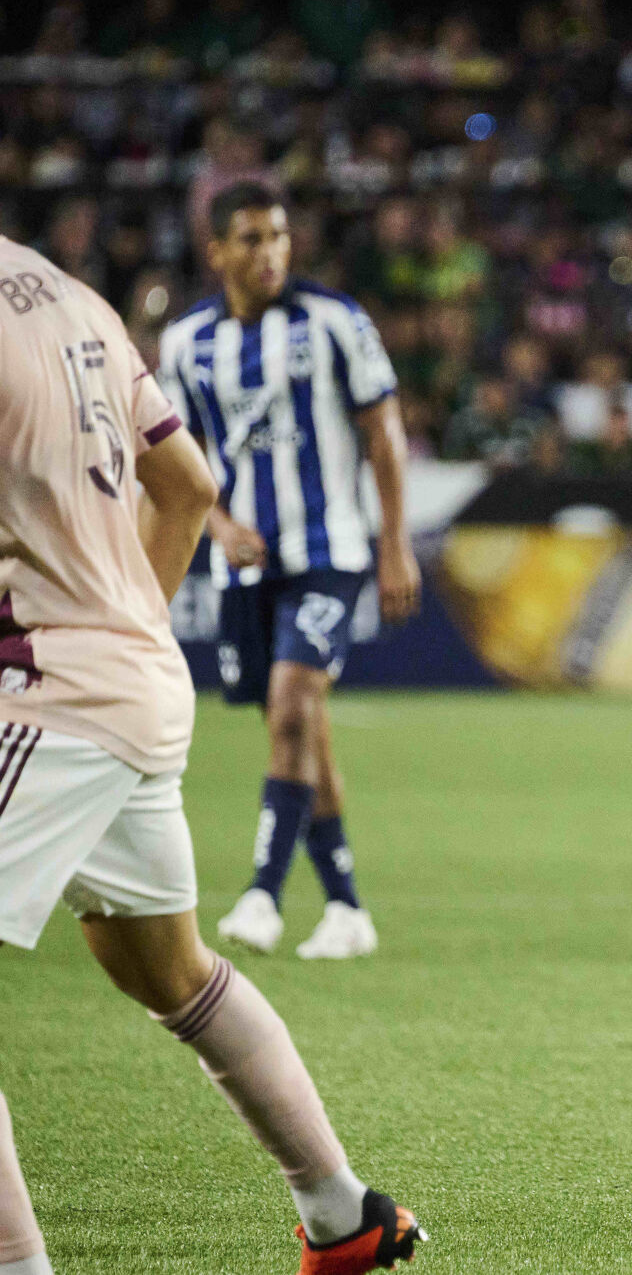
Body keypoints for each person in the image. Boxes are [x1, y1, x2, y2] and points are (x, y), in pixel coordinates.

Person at [0, 235, 423, 1273]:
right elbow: (188, 483)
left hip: (48, 693)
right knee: (168, 968)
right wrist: (121, 630)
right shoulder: (71, 298)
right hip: (129, 681)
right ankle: (343, 1213)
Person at [157, 181, 422, 961]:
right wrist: (219, 525)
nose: (269, 251)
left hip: (329, 552)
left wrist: (394, 542)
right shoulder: (185, 343)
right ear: (217, 252)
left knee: (292, 701)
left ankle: (263, 895)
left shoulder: (335, 321)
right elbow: (178, 458)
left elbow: (384, 430)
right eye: (251, 238)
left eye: (278, 235)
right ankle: (345, 907)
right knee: (300, 723)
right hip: (244, 564)